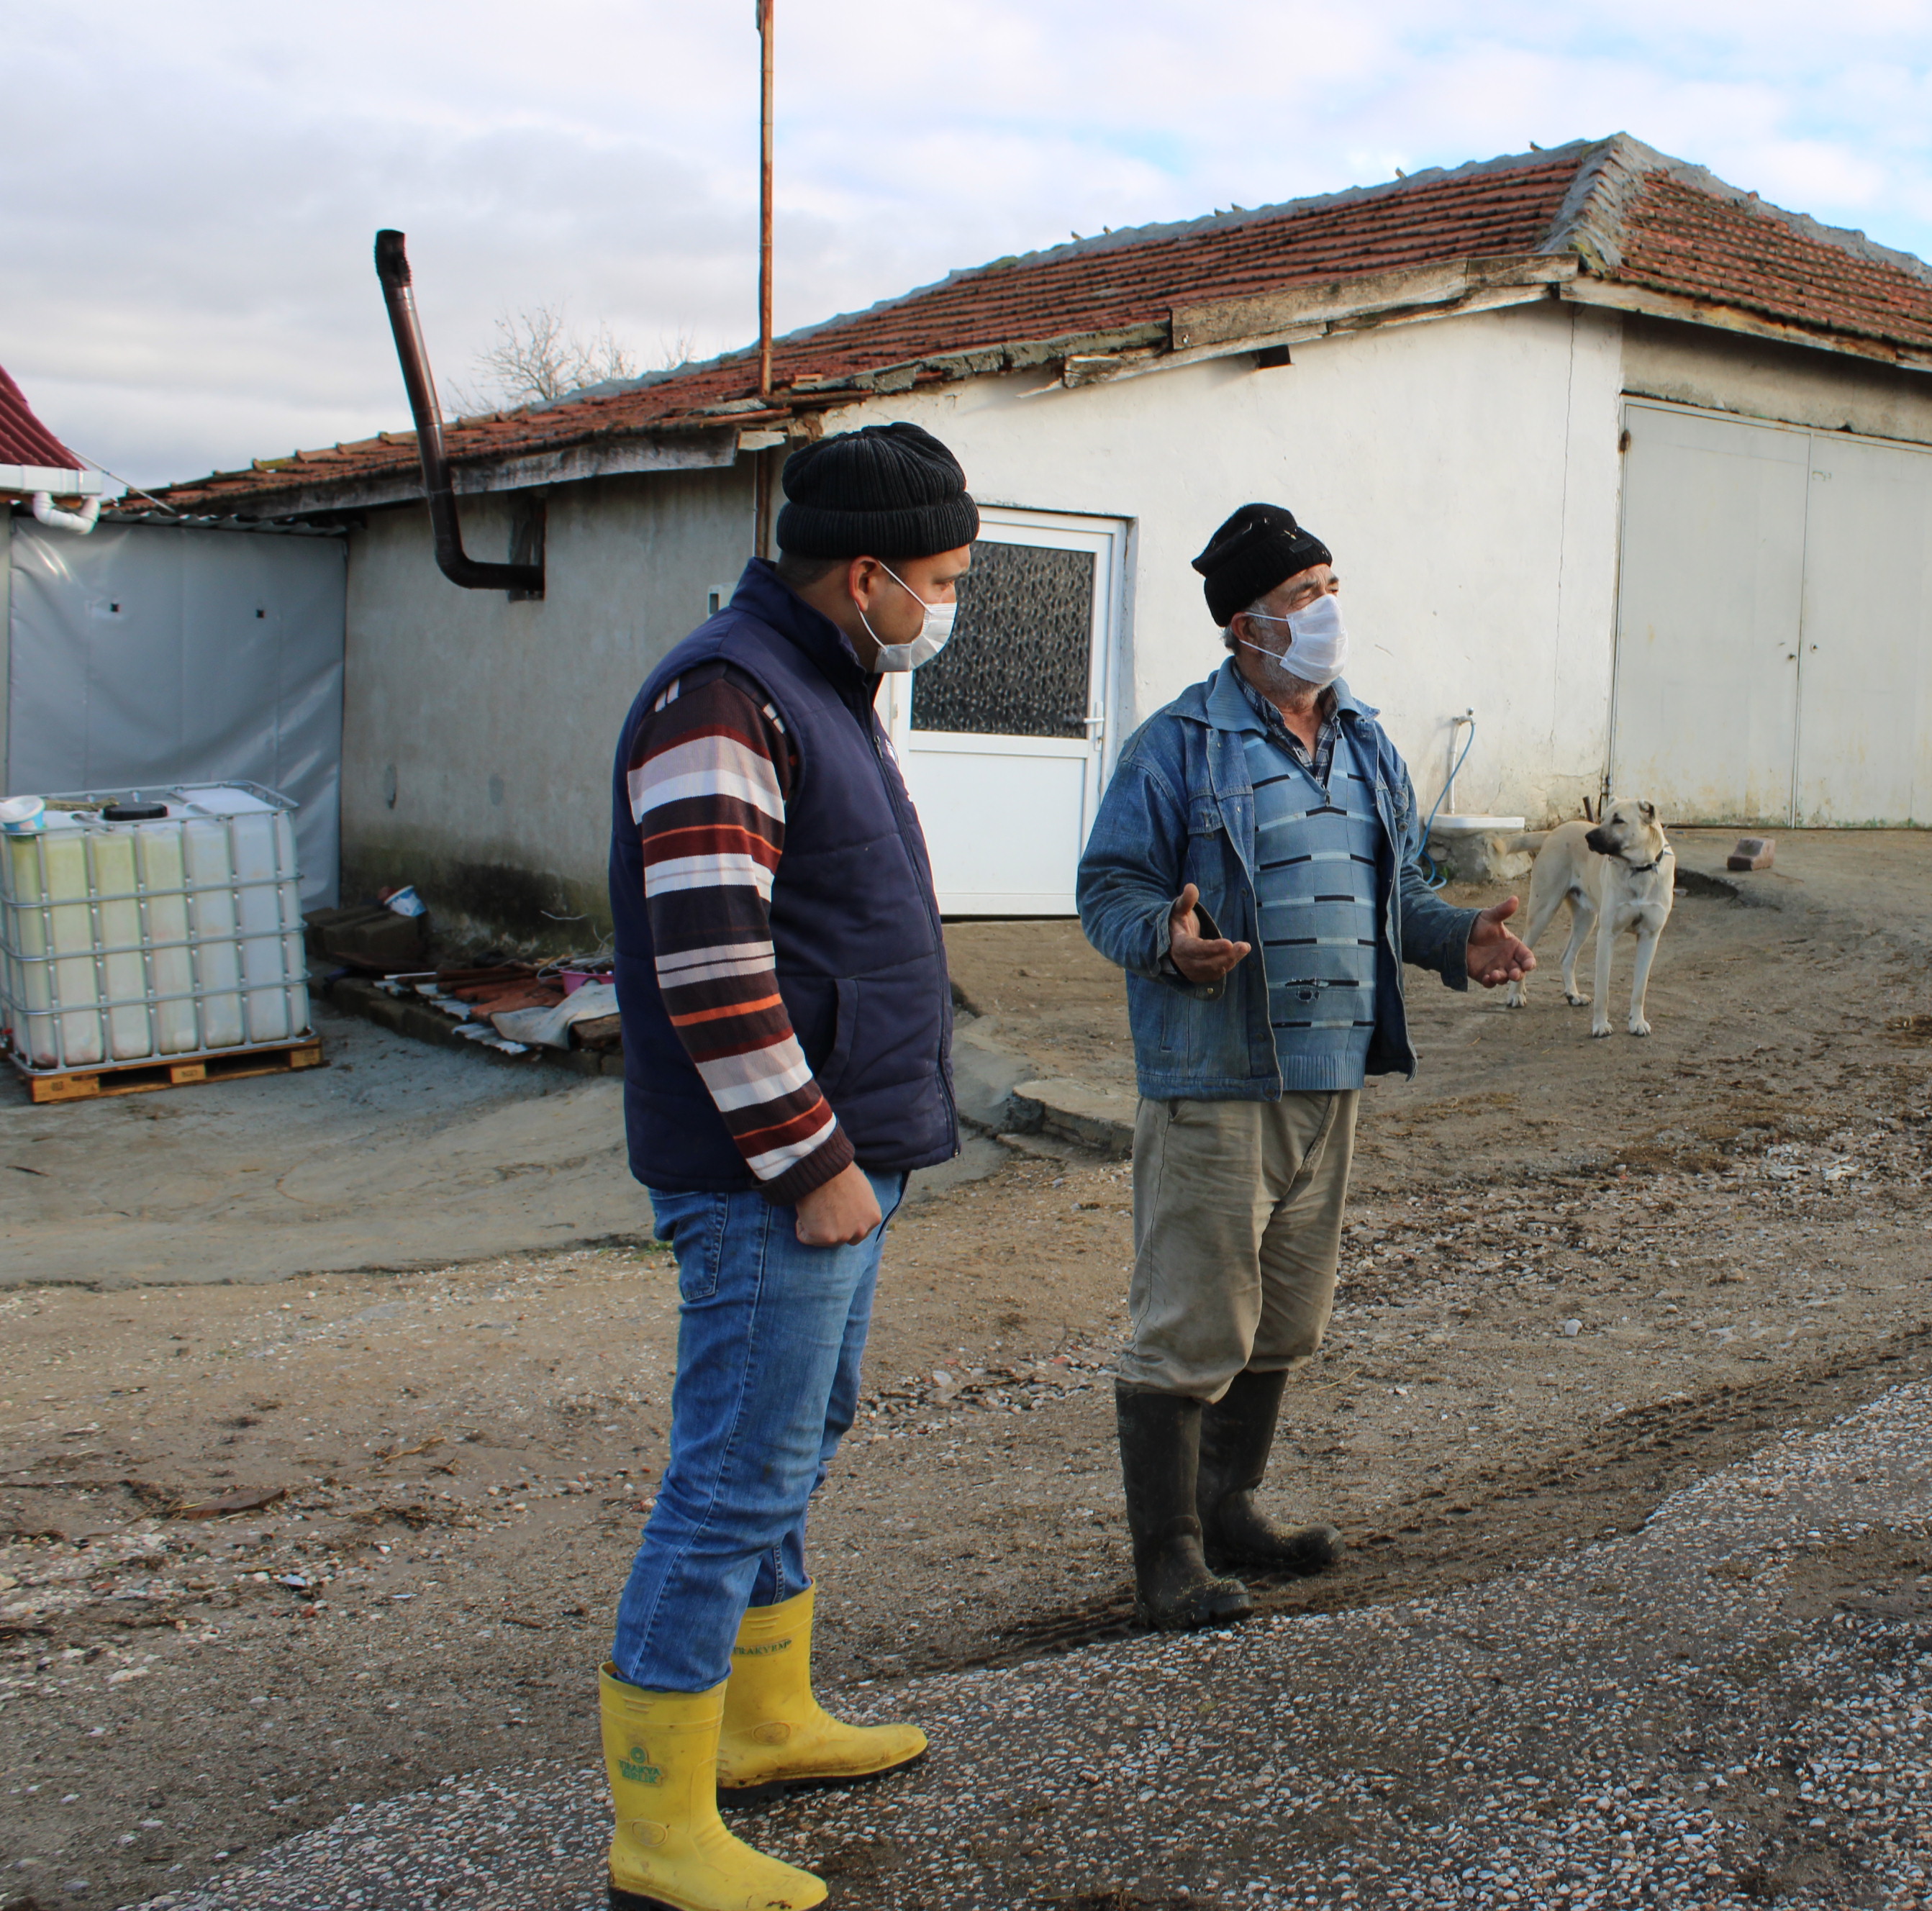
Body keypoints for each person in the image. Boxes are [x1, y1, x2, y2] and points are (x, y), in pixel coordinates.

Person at [596, 422, 976, 1911]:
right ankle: (657, 1826)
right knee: (730, 1475)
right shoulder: (724, 697)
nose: (944, 610)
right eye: (937, 582)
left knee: (798, 1431)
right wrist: (811, 1157)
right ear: (865, 573)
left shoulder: (822, 684)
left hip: (840, 1152)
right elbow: (709, 960)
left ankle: (762, 1718)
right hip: (775, 1172)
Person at [1076, 502, 1536, 1630]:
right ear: (1247, 627)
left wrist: (1455, 937)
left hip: (1332, 1075)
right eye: (1301, 597)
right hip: (1216, 1079)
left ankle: (1231, 1511)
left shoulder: (1368, 740)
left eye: (1332, 586)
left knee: (1286, 1315)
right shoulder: (1178, 744)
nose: (1327, 612)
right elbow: (1109, 890)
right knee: (1192, 1318)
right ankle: (1169, 1557)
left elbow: (1400, 895)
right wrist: (1169, 945)